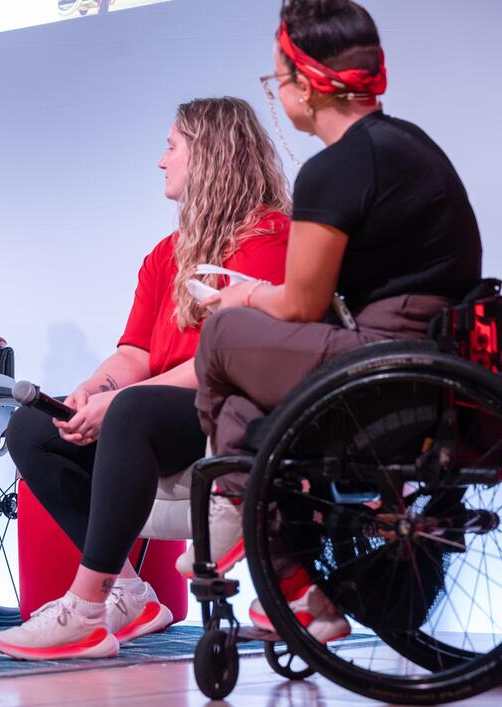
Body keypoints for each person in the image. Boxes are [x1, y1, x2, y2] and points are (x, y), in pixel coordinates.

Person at [190, 0, 482, 640]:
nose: (276, 93)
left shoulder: (336, 168)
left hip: (387, 367)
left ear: (307, 84)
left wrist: (242, 299)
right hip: (433, 365)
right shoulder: (410, 145)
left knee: (218, 337)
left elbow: (300, 305)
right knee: (241, 406)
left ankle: (270, 554)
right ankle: (295, 590)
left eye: (276, 79)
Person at [0, 98, 291, 661]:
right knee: (34, 426)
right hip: (159, 409)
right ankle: (128, 593)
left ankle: (83, 609)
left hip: (226, 410)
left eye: (172, 146)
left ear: (210, 155)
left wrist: (121, 400)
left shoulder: (269, 236)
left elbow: (219, 360)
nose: (161, 161)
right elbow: (133, 353)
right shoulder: (165, 254)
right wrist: (90, 391)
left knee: (130, 411)